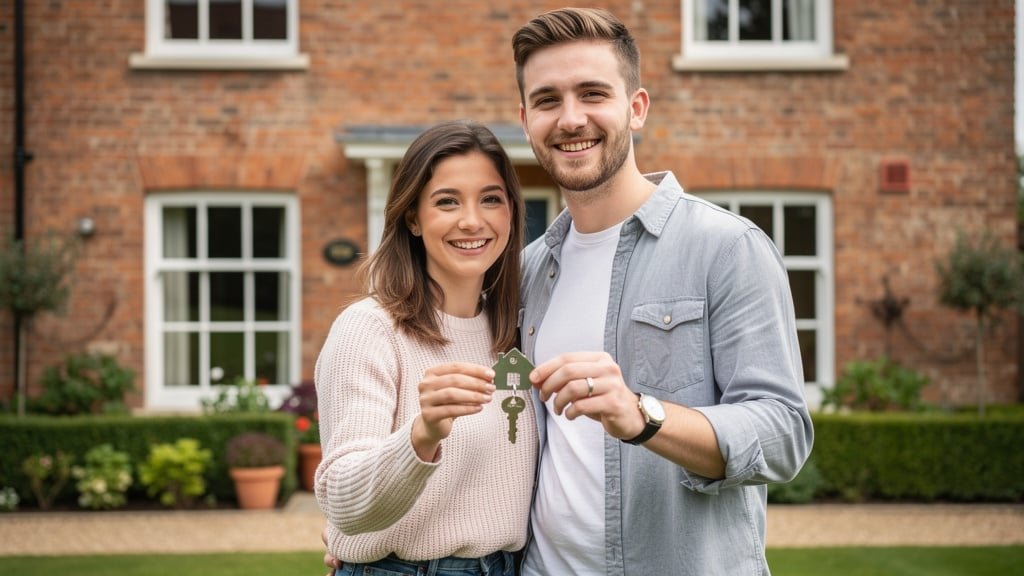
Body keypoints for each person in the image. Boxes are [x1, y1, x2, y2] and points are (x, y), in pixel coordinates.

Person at [513, 7, 813, 575]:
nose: (571, 118)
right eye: (548, 100)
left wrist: (643, 415)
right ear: (525, 119)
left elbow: (782, 433)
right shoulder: (527, 271)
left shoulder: (726, 247)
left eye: (593, 93)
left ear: (637, 108)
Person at [314, 120, 536, 576]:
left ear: (512, 213)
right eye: (447, 201)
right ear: (413, 217)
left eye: (491, 199)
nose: (472, 220)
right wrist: (423, 433)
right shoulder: (370, 329)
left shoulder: (519, 329)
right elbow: (343, 499)